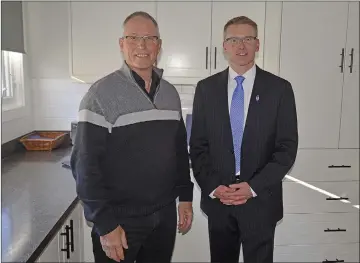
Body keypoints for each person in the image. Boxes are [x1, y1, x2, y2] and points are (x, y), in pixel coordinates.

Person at [71, 11, 194, 263]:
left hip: (164, 214)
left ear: (159, 45)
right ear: (121, 43)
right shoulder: (100, 95)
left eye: (150, 38)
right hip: (119, 220)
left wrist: (186, 196)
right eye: (133, 37)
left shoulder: (170, 94)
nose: (142, 45)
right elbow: (84, 166)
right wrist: (105, 225)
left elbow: (179, 150)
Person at [189, 16, 298, 263]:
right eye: (234, 39)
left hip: (261, 201)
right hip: (220, 200)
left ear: (257, 45)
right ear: (224, 46)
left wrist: (253, 187)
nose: (241, 46)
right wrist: (215, 187)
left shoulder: (279, 89)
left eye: (248, 39)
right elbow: (198, 147)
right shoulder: (206, 89)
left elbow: (286, 149)